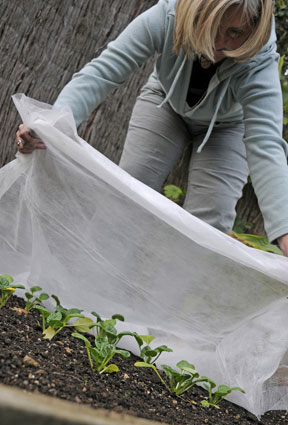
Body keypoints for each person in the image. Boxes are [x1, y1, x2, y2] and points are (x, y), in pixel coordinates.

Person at [15, 0, 288, 256]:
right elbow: (103, 71)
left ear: (253, 29)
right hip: (164, 102)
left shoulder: (258, 63)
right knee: (130, 191)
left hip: (228, 127)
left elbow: (265, 145)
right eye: (211, 26)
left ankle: (176, 303)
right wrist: (49, 126)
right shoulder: (168, 15)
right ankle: (96, 288)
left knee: (209, 223)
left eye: (234, 32)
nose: (219, 43)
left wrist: (285, 230)